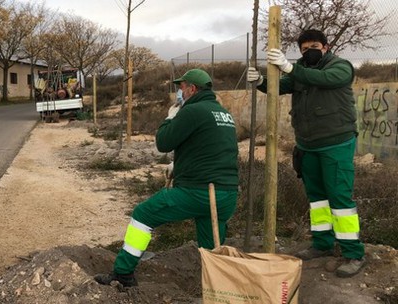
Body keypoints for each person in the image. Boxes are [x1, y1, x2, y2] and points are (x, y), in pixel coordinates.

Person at [94, 69, 239, 287]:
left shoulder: (192, 111)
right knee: (211, 248)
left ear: (192, 89)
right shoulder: (223, 113)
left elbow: (163, 142)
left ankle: (123, 273)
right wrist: (178, 165)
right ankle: (218, 289)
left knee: (142, 214)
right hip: (226, 194)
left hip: (197, 192)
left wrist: (170, 118)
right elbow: (211, 149)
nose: (179, 92)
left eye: (181, 88)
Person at [247, 29, 365, 278]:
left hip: (336, 144)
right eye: (303, 48)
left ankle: (353, 253)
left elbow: (324, 79)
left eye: (313, 46)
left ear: (325, 46)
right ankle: (322, 245)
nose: (308, 51)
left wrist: (290, 67)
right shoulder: (299, 69)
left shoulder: (341, 67)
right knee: (318, 200)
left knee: (340, 200)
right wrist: (261, 82)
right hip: (308, 145)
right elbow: (280, 86)